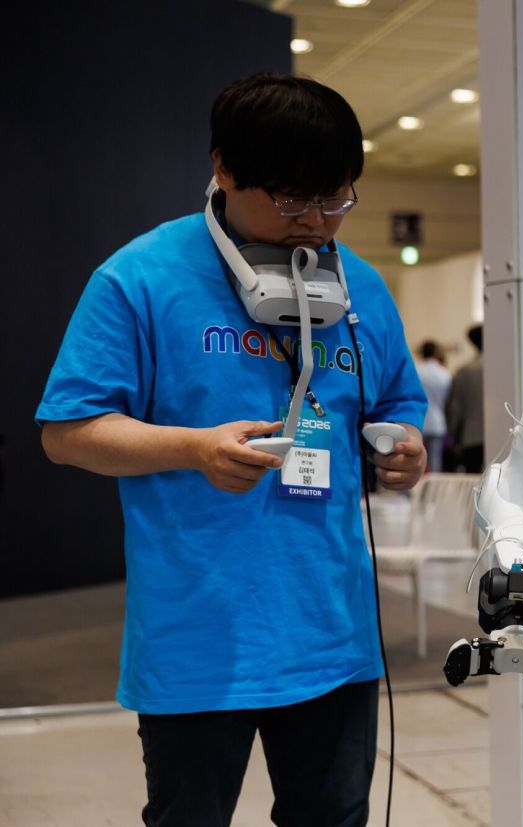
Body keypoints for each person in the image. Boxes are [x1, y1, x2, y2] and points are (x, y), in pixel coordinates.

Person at [37, 73, 427, 827]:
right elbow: (66, 432)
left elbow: (397, 407)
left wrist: (404, 448)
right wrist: (192, 448)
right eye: (290, 201)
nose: (316, 222)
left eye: (336, 198)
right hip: (199, 640)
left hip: (334, 636)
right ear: (222, 169)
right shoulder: (141, 278)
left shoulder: (364, 288)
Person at [445, 323, 485, 472]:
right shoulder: (506, 368)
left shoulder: (464, 372)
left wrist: (453, 436)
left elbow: (456, 409)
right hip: (504, 435)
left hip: (471, 436)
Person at [414, 339, 452, 472]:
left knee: (414, 459)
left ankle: (412, 491)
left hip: (418, 420)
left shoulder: (416, 371)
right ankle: (433, 491)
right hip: (437, 420)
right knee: (435, 461)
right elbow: (448, 400)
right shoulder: (444, 373)